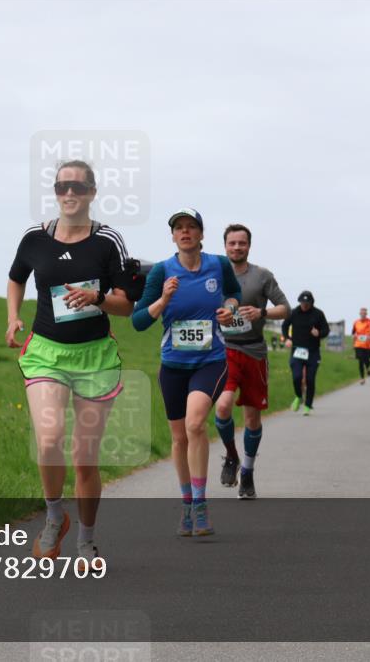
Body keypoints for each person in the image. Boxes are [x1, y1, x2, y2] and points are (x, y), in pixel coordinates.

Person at [7, 160, 135, 568]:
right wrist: (13, 316)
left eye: (77, 186)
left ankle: (86, 539)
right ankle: (54, 514)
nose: (69, 193)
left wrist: (95, 298)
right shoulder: (35, 237)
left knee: (84, 457)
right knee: (48, 439)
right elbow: (16, 277)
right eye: (62, 185)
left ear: (92, 192)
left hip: (95, 356)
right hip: (46, 351)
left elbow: (127, 305)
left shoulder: (108, 241)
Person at [132, 209, 242, 533]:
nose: (185, 232)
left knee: (195, 424)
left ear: (201, 234)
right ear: (172, 236)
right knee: (179, 438)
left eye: (191, 227)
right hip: (173, 366)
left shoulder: (218, 265)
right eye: (179, 228)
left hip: (210, 361)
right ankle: (185, 504)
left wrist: (230, 310)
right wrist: (163, 299)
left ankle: (200, 502)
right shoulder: (162, 272)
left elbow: (234, 295)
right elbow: (138, 321)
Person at [213, 224, 289, 500]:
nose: (236, 248)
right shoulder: (215, 274)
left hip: (255, 352)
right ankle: (231, 457)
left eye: (241, 243)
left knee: (251, 417)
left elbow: (285, 308)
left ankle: (247, 471)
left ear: (249, 246)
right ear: (225, 246)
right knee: (222, 406)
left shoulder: (262, 276)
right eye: (232, 243)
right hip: (225, 350)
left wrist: (262, 312)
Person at [281, 291, 329, 416]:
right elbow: (284, 326)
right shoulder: (293, 312)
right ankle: (298, 396)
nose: (304, 305)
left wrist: (319, 333)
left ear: (311, 303)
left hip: (313, 352)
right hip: (297, 350)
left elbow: (326, 330)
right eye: (302, 303)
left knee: (310, 379)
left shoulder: (318, 314)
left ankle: (308, 405)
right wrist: (287, 338)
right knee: (297, 377)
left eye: (307, 303)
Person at [352, 307, 370, 384]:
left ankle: (368, 368)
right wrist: (354, 336)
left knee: (367, 359)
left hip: (368, 345)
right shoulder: (356, 322)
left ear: (366, 314)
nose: (363, 315)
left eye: (364, 313)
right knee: (360, 360)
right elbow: (353, 332)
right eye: (361, 313)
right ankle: (362, 378)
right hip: (358, 344)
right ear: (360, 314)